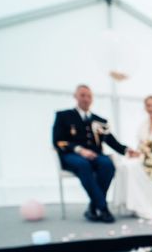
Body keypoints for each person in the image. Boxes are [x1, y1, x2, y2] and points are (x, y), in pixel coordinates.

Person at [52, 85, 139, 223]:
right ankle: (102, 208)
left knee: (108, 164)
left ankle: (93, 208)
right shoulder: (63, 116)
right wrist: (80, 150)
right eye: (82, 95)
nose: (86, 99)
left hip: (96, 156)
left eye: (89, 96)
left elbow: (111, 141)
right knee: (83, 164)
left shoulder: (100, 120)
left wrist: (126, 150)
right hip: (72, 155)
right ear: (76, 96)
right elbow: (58, 141)